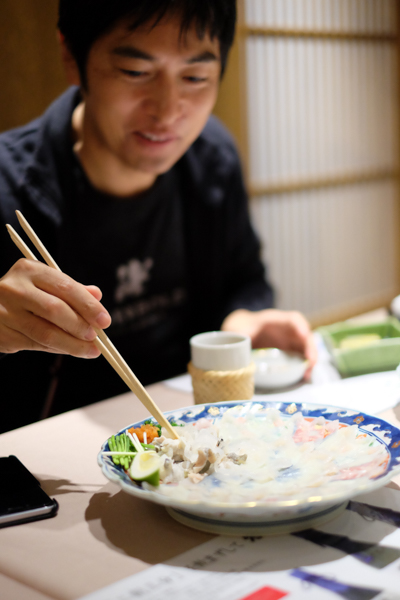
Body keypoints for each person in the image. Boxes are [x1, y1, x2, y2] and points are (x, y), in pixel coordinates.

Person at [0, 0, 317, 433]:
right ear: (71, 56)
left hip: (187, 435)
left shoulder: (212, 159)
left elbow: (245, 278)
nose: (168, 111)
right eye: (135, 72)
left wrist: (243, 318)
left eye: (195, 77)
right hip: (54, 459)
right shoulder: (8, 188)